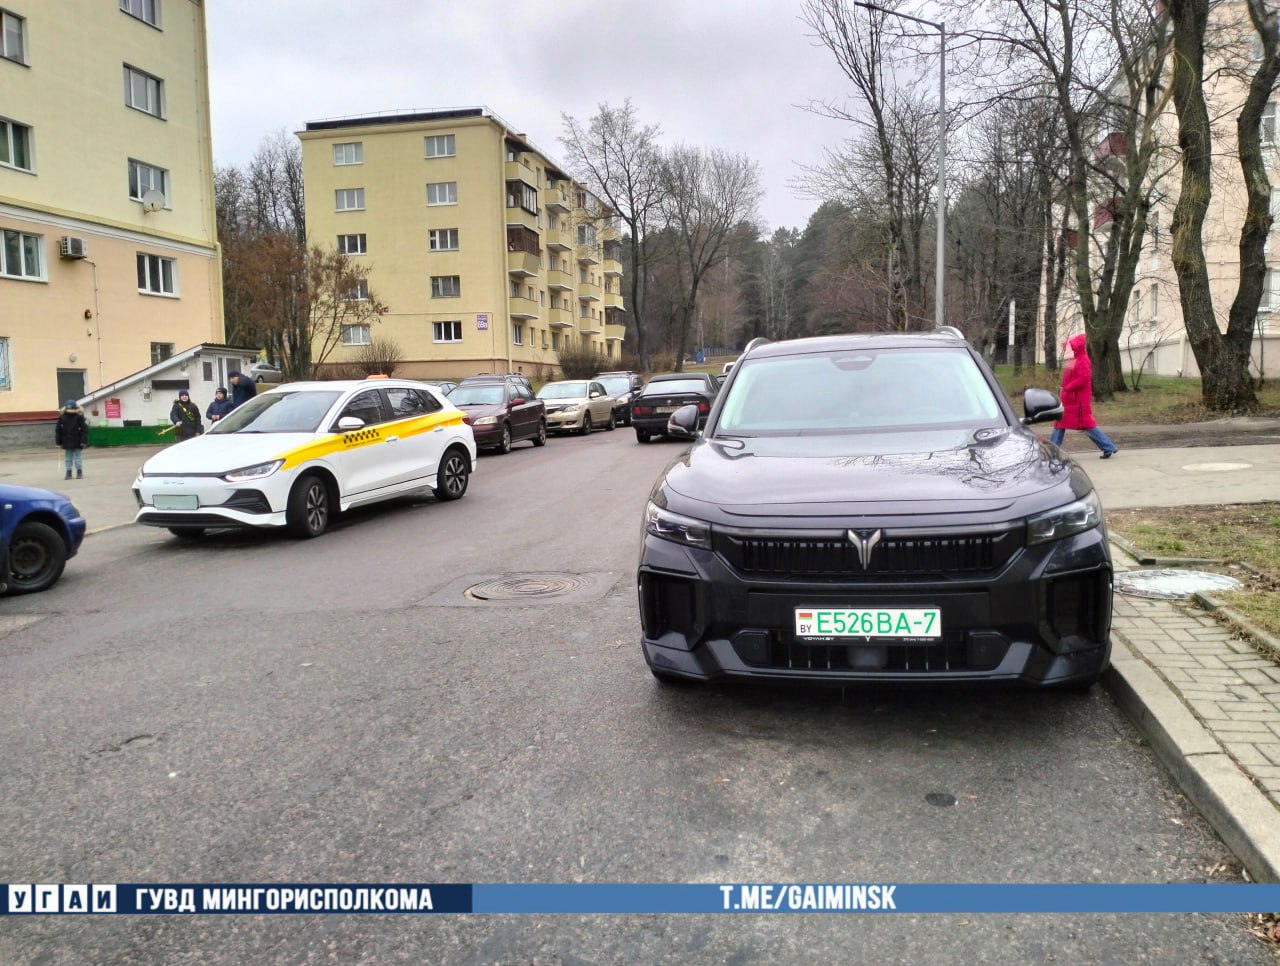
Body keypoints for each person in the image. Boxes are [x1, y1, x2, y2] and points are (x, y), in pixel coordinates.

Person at [1050, 333, 1118, 459]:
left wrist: (1068, 388)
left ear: (1077, 347)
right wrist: (1063, 390)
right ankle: (1052, 451)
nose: (1069, 349)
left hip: (1078, 401)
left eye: (1071, 347)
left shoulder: (1082, 360)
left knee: (1085, 426)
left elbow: (1084, 378)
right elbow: (1068, 378)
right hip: (1070, 400)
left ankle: (1108, 447)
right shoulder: (1073, 360)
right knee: (1060, 424)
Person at [54, 399, 89, 480]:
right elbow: (58, 430)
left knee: (78, 458)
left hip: (78, 441)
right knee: (68, 458)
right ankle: (68, 472)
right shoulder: (62, 417)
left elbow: (84, 430)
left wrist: (83, 441)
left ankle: (79, 472)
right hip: (67, 441)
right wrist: (58, 442)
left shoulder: (79, 417)